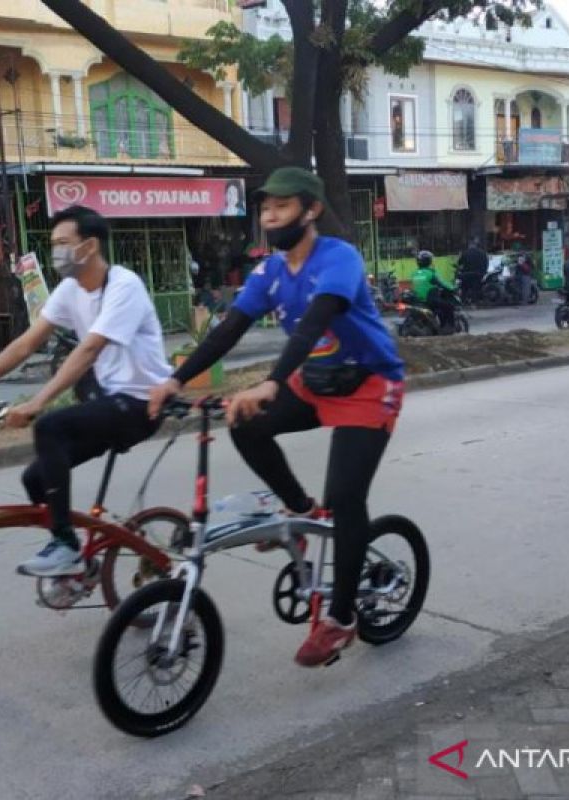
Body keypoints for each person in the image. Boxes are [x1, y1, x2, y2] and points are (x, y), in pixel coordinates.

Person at [148, 167, 406, 668]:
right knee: (244, 421)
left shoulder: (339, 258)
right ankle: (298, 510)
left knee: (346, 497)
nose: (270, 216)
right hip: (314, 381)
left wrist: (271, 380)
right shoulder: (268, 271)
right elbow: (229, 329)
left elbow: (313, 324)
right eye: (265, 208)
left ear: (310, 211)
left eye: (282, 207)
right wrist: (175, 380)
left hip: (370, 383)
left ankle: (342, 617)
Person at [0, 205, 171, 577]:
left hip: (143, 403)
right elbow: (25, 345)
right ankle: (80, 562)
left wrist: (37, 403)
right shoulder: (69, 290)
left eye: (64, 243)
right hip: (109, 400)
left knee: (49, 426)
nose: (56, 253)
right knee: (35, 479)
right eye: (53, 245)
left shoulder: (124, 285)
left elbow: (89, 350)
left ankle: (65, 544)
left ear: (90, 246)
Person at [411, 250, 456, 330]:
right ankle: (449, 327)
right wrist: (453, 288)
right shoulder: (431, 273)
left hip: (418, 301)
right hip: (430, 300)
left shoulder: (414, 274)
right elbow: (442, 284)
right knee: (449, 306)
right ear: (428, 261)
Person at [457, 238, 487, 305]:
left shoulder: (465, 253)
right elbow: (486, 263)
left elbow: (459, 263)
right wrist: (483, 272)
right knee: (476, 289)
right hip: (478, 274)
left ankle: (463, 301)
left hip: (467, 274)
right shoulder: (482, 253)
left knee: (464, 288)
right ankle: (474, 302)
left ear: (470, 245)